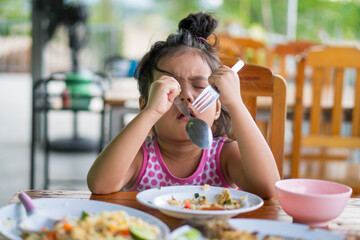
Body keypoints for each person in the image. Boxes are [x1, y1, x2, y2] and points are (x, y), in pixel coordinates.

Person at [87, 12, 280, 198]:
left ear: (217, 108)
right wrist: (151, 112)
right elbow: (100, 185)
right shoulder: (139, 157)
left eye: (199, 86)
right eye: (171, 87)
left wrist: (236, 104)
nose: (187, 95)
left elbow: (268, 189)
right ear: (145, 104)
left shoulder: (224, 155)